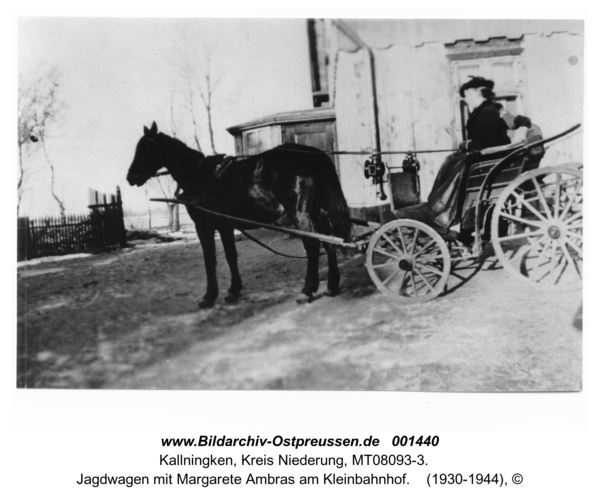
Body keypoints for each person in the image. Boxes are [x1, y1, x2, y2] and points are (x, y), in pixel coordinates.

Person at [396, 76, 512, 242]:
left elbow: (486, 142)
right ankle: (436, 206)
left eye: (468, 96)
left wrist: (468, 145)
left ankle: (439, 210)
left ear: (477, 93)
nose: (466, 100)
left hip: (484, 159)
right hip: (485, 156)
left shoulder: (487, 113)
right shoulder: (487, 111)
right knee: (451, 160)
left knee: (454, 163)